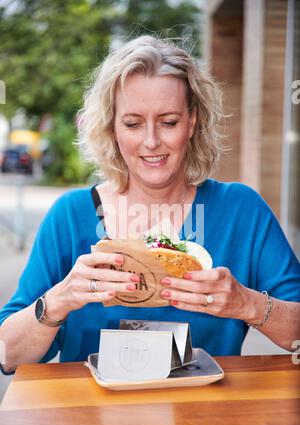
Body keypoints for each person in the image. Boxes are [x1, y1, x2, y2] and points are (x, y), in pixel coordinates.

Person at [0, 35, 299, 374]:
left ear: (192, 122)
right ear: (112, 127)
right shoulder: (70, 216)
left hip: (207, 420)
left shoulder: (241, 210)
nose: (151, 141)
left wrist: (249, 304)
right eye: (133, 123)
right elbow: (8, 355)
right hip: (88, 422)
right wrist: (59, 300)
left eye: (168, 121)